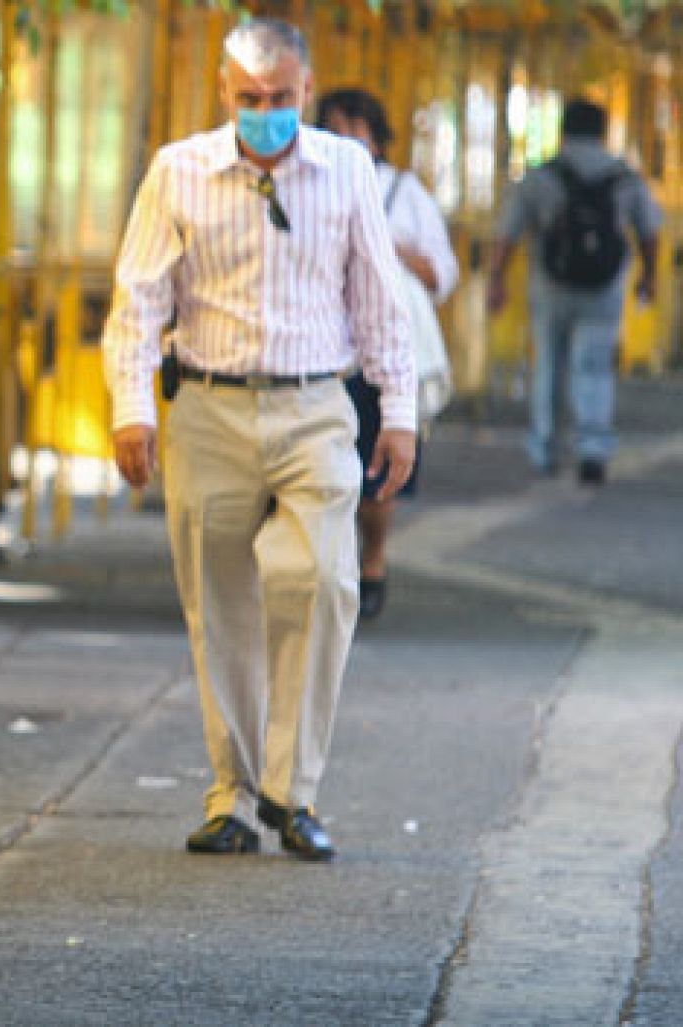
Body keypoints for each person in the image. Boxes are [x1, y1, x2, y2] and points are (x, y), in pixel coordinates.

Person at [102, 19, 415, 862]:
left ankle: (294, 789)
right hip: (208, 407)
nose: (265, 112)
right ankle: (232, 796)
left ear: (306, 91)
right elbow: (136, 303)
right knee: (222, 603)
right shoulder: (180, 172)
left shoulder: (348, 170)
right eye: (249, 98)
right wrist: (132, 410)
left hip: (317, 407)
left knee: (321, 578)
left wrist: (399, 411)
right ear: (223, 90)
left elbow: (381, 300)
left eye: (280, 98)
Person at [317, 87, 459, 619]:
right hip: (324, 351)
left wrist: (386, 246)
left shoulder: (404, 193)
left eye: (356, 128)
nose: (346, 139)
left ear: (376, 134)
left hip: (384, 348)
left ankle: (372, 557)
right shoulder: (307, 188)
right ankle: (334, 566)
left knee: (378, 472)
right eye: (333, 128)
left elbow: (443, 274)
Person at [488, 97, 661, 486]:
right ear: (603, 131)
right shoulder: (625, 177)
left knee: (549, 361)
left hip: (551, 283)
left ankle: (546, 447)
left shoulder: (540, 176)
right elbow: (649, 233)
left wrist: (497, 280)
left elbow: (507, 233)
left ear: (563, 130)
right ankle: (592, 447)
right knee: (595, 363)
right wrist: (649, 277)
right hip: (604, 286)